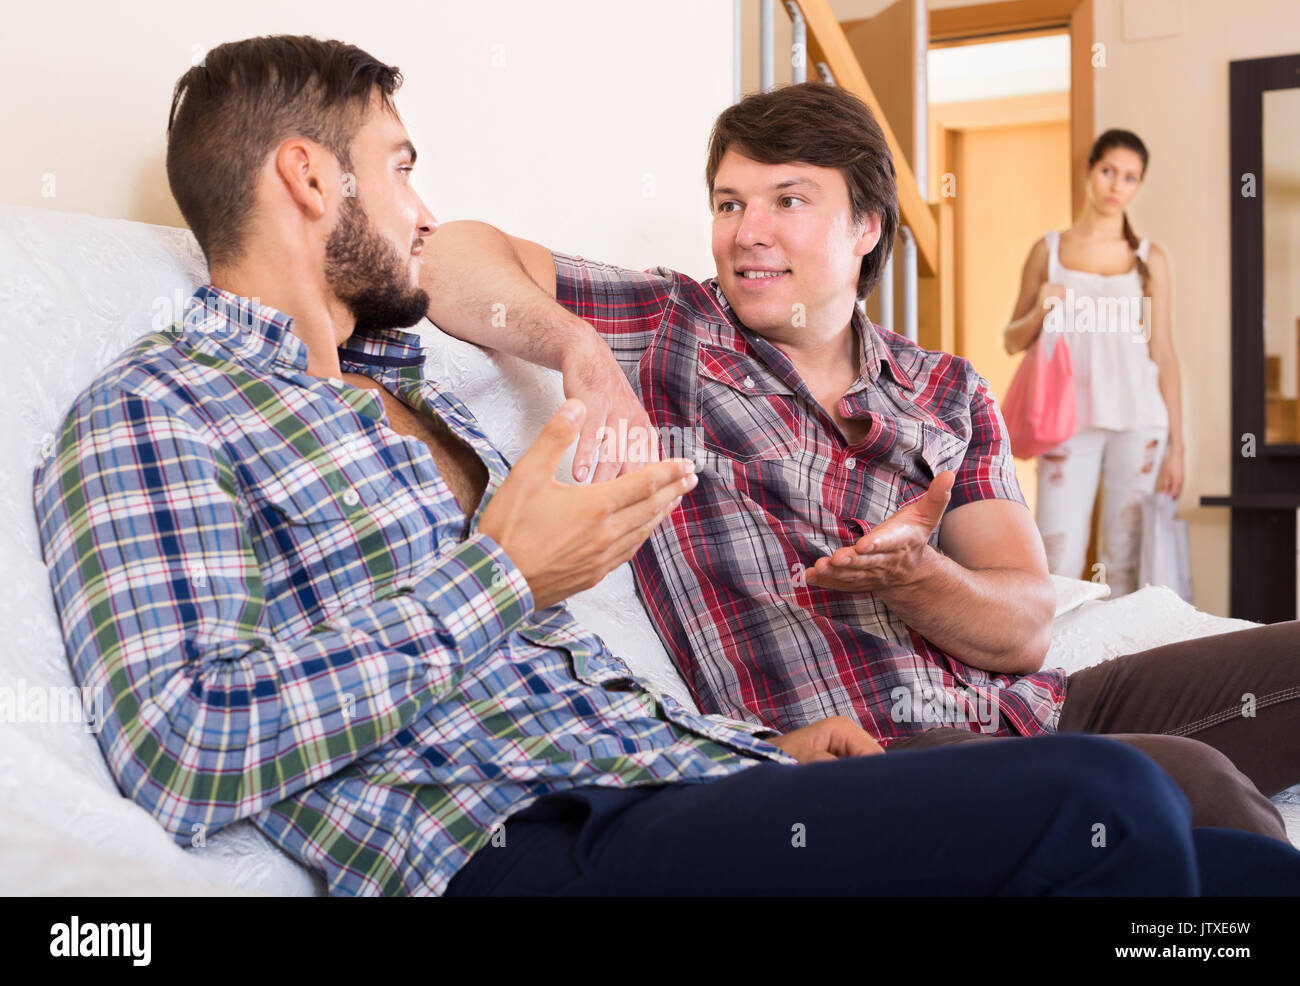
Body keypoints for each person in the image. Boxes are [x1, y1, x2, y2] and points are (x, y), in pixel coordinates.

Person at [29, 35, 1300, 898]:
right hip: (526, 839)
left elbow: (565, 674)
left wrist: (759, 751)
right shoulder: (157, 409)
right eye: (402, 167)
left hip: (691, 775)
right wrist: (504, 570)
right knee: (1116, 799)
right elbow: (185, 746)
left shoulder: (395, 398)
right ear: (308, 176)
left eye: (787, 202)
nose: (421, 207)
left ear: (864, 229)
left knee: (1243, 871)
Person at [424, 82, 1299, 844]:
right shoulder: (672, 326)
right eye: (730, 204)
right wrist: (577, 346)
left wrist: (916, 580)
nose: (747, 233)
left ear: (866, 226)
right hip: (884, 746)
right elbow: (442, 258)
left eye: (788, 201)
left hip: (1035, 707)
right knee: (1193, 786)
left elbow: (1026, 624)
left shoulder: (947, 389)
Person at [1001, 129, 1184, 595]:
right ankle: (1057, 666)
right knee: (1056, 553)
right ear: (1089, 171)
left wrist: (1177, 448)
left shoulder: (1149, 259)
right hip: (1066, 422)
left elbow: (1163, 353)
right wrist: (1041, 306)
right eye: (1108, 171)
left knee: (1123, 558)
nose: (1115, 186)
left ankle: (1121, 668)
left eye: (1129, 177)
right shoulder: (1050, 251)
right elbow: (1010, 340)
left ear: (1138, 185)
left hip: (1141, 422)